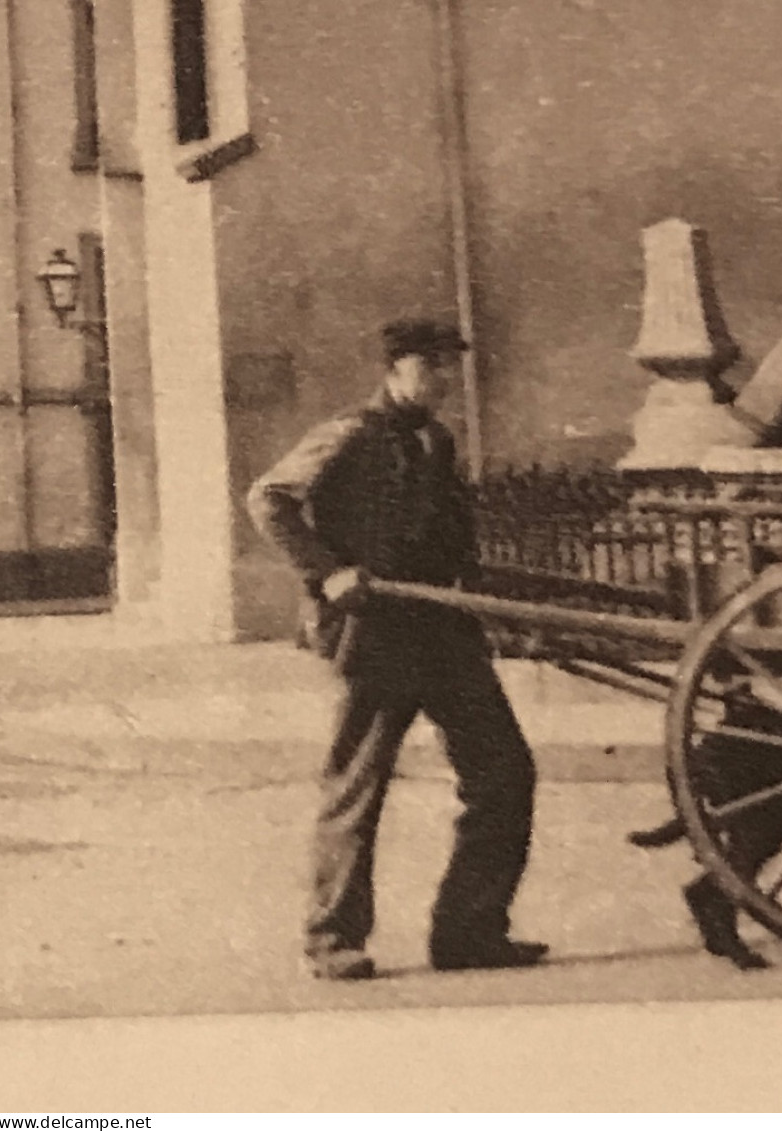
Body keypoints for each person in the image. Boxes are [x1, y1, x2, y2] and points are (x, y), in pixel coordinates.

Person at [246, 318, 546, 980]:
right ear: (394, 370)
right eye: (428, 366)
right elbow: (267, 499)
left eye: (448, 367)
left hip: (444, 632)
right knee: (358, 785)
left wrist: (484, 595)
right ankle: (333, 939)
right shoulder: (348, 434)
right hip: (377, 635)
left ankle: (468, 931)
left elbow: (452, 536)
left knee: (503, 772)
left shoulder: (436, 441)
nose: (441, 380)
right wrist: (328, 570)